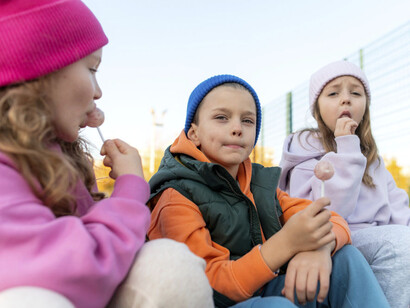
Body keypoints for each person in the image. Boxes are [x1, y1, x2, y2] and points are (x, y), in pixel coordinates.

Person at [0, 1, 213, 308]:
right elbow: (74, 271)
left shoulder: (56, 157)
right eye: (91, 70)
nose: (98, 92)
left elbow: (112, 260)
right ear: (41, 72)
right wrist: (129, 187)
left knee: (167, 266)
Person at [147, 74, 389, 307]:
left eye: (247, 120)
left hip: (267, 290)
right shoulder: (175, 195)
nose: (237, 128)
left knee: (345, 258)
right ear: (194, 133)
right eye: (221, 117)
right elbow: (205, 288)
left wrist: (319, 248)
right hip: (215, 302)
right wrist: (285, 245)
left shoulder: (260, 184)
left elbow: (333, 219)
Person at [279, 60, 410, 307]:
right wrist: (347, 146)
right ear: (317, 109)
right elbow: (331, 211)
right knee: (401, 245)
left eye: (356, 93)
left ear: (365, 107)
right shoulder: (305, 148)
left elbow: (400, 213)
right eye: (333, 93)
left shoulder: (375, 160)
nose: (346, 99)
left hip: (380, 241)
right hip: (332, 241)